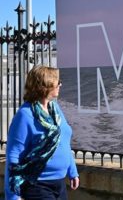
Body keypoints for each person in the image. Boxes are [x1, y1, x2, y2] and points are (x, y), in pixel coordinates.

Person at [4, 65, 79, 200]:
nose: (60, 85)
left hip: (59, 184)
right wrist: (13, 196)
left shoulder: (54, 109)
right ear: (46, 85)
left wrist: (72, 171)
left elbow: (63, 141)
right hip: (37, 185)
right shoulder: (25, 115)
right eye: (57, 82)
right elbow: (13, 155)